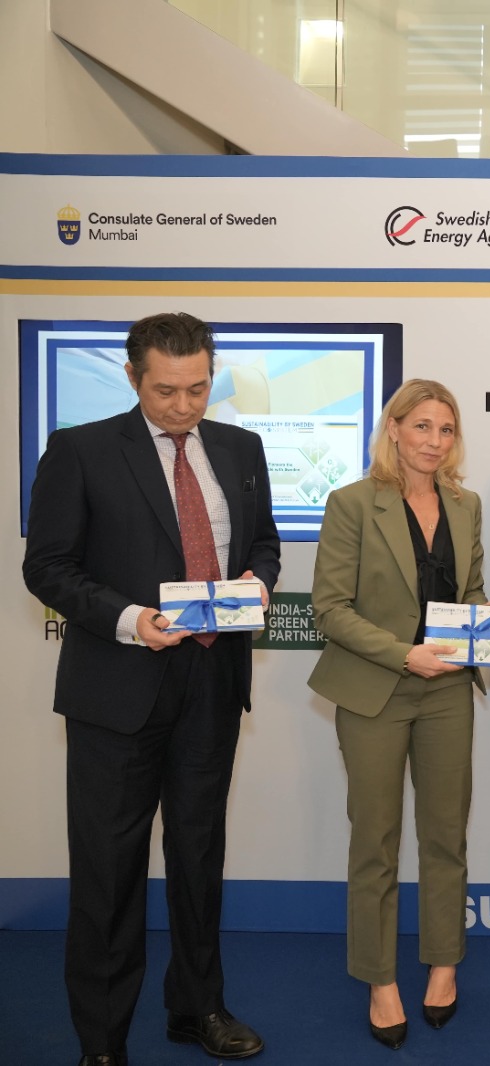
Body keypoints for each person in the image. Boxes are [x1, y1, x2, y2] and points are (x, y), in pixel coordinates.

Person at [22, 312, 280, 1066]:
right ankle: (102, 1040)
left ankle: (198, 1008)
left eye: (197, 388)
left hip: (213, 681)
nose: (183, 405)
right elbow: (48, 567)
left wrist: (260, 582)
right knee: (109, 869)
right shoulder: (80, 450)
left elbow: (263, 543)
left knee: (199, 858)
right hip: (117, 687)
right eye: (166, 390)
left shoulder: (241, 447)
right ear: (133, 377)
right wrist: (131, 619)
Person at [309, 379, 490, 1050]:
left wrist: (486, 621)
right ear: (394, 429)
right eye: (422, 426)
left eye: (446, 430)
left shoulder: (466, 505)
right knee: (376, 840)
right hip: (375, 690)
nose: (434, 441)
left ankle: (444, 964)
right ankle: (379, 977)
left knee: (446, 835)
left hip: (447, 690)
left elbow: (469, 591)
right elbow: (329, 609)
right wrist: (403, 655)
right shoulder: (352, 503)